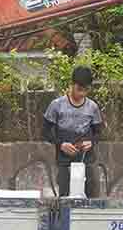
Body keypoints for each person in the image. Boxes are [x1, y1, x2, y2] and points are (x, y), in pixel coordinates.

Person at [42, 66, 103, 197]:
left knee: (90, 198)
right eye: (79, 89)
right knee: (65, 198)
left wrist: (91, 142)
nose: (82, 94)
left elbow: (99, 133)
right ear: (72, 85)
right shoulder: (57, 105)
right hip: (64, 162)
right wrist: (60, 144)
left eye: (86, 90)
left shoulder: (92, 107)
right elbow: (45, 132)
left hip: (86, 161)